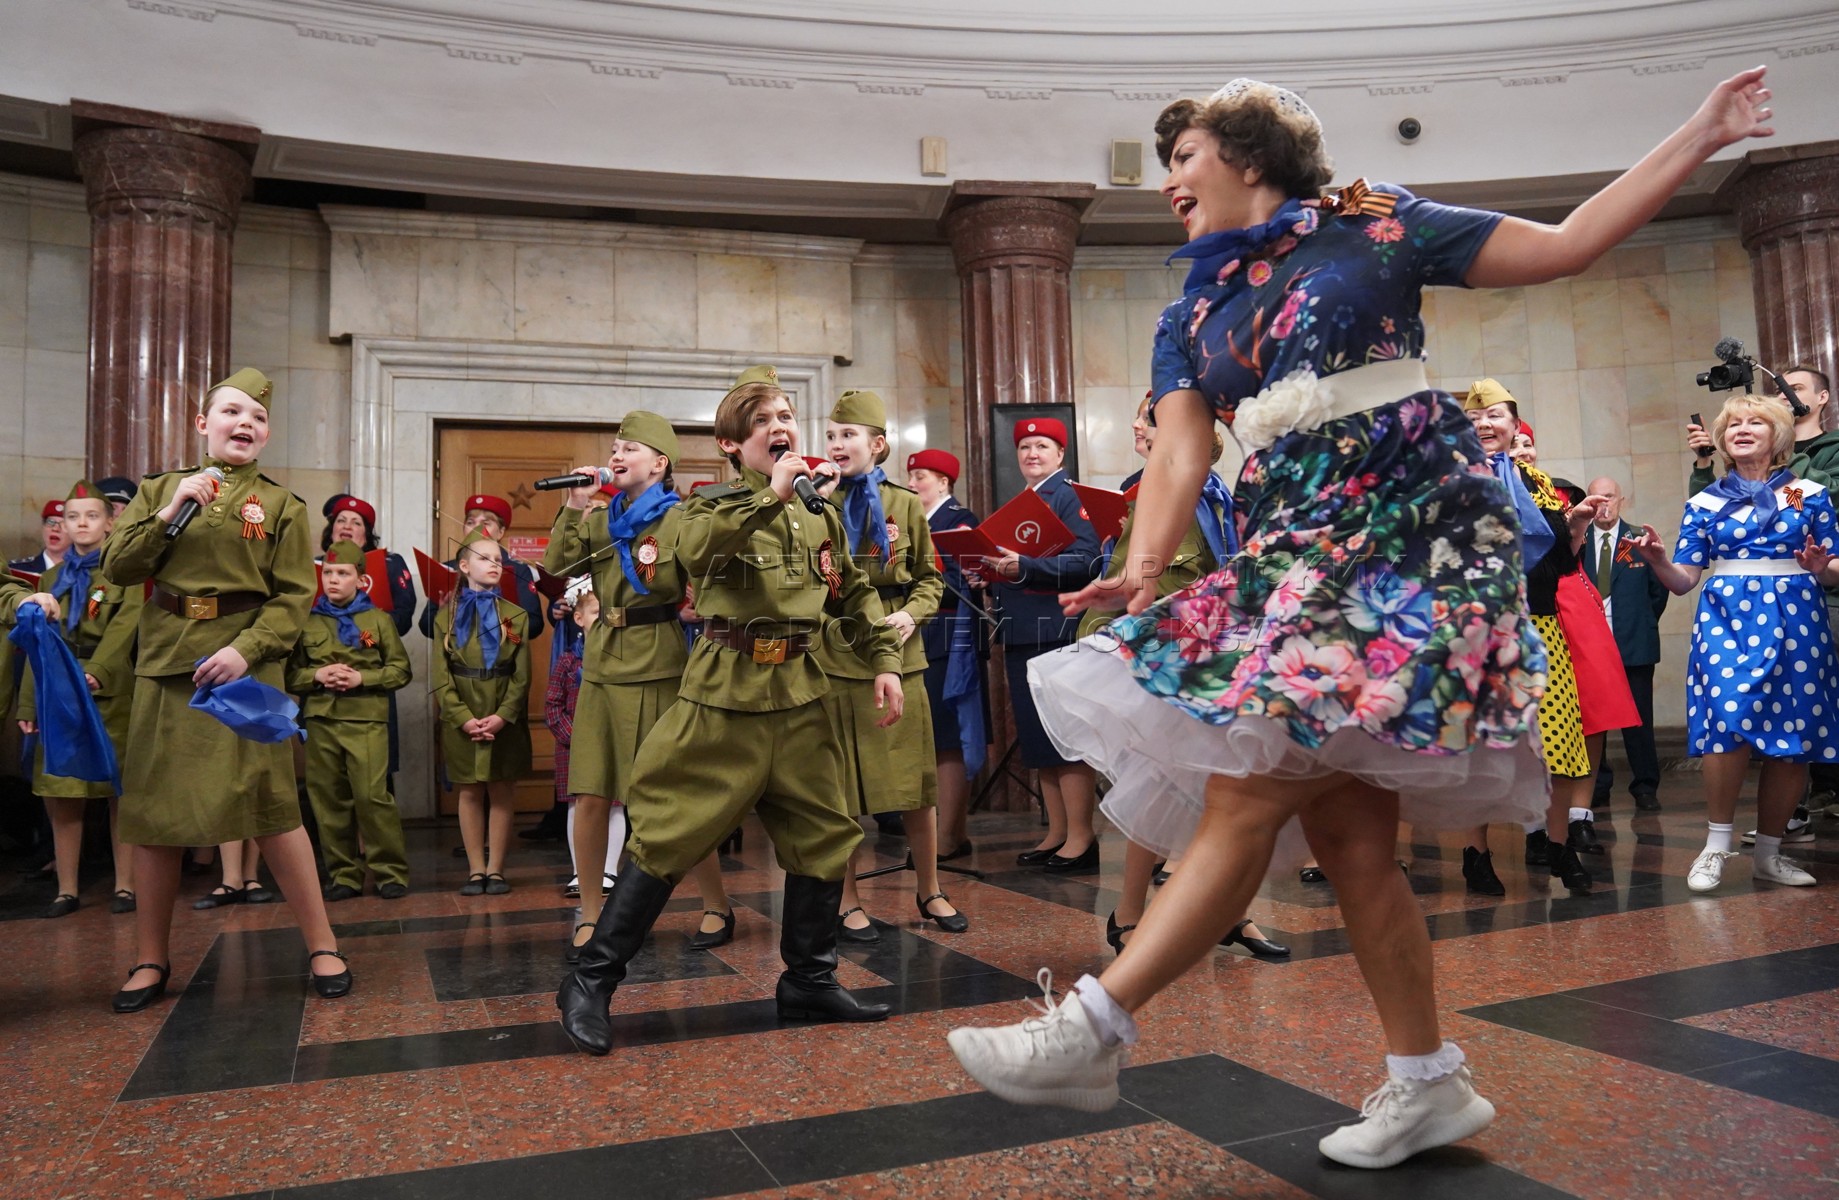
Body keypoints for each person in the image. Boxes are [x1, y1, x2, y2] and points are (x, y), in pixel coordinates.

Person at [946, 69, 1777, 1168]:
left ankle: (1093, 1028)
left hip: (1418, 540)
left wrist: (1706, 130)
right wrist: (1138, 570)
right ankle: (1428, 1085)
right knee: (1347, 840)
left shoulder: (1377, 223)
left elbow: (1570, 243)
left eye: (1182, 158)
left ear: (1247, 155)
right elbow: (1185, 451)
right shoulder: (1190, 308)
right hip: (1301, 545)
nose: (1169, 183)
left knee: (1252, 782)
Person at [557, 364, 904, 1056]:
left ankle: (808, 978)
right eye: (761, 422)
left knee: (825, 833)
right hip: (725, 695)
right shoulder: (708, 506)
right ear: (729, 445)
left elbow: (854, 592)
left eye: (785, 418)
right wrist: (770, 499)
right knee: (667, 832)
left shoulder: (819, 511)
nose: (780, 429)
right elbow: (694, 553)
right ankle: (590, 980)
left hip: (800, 693)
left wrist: (885, 663)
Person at [102, 367, 351, 1012]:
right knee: (155, 816)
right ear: (202, 423)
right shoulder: (160, 490)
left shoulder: (282, 506)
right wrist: (171, 509)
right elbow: (120, 567)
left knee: (271, 809)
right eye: (233, 412)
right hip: (167, 665)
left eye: (259, 418)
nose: (247, 424)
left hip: (244, 671)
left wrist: (245, 650)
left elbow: (295, 598)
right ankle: (150, 958)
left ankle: (323, 944)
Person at [1085, 397, 1284, 957]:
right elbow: (1126, 584)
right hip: (1166, 659)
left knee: (1223, 793)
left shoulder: (1226, 500)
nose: (1137, 429)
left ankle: (1233, 914)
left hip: (1222, 658)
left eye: (1149, 422)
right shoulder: (1151, 496)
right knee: (1157, 788)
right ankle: (1127, 915)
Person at [1632, 392, 1839, 893]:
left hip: (1796, 615)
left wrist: (1821, 567)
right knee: (1726, 723)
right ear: (1722, 441)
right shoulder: (1705, 501)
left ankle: (1769, 854)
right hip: (1727, 618)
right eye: (1732, 425)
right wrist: (1658, 559)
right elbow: (1683, 580)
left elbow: (1835, 567)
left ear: (1779, 436)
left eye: (1755, 423)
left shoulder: (1806, 494)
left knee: (1793, 738)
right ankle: (1716, 843)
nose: (1741, 430)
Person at [543, 411, 730, 959]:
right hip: (602, 662)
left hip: (660, 661)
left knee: (678, 795)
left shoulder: (677, 519)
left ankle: (716, 903)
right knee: (592, 790)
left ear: (659, 462)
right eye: (613, 447)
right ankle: (592, 913)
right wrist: (575, 505)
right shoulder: (602, 520)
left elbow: (704, 583)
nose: (616, 455)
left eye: (629, 448)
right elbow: (560, 565)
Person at [818, 390, 963, 939]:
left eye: (848, 435)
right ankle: (848, 899)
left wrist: (909, 615)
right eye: (831, 436)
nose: (837, 445)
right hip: (835, 655)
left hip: (900, 656)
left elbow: (931, 577)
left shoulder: (903, 504)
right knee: (842, 789)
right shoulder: (815, 502)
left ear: (877, 444)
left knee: (913, 785)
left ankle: (930, 889)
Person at [1463, 385, 1599, 894]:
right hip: (1480, 633)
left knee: (1561, 745)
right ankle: (1476, 856)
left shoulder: (1539, 483)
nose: (1483, 424)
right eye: (1474, 416)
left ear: (1515, 426)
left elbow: (1562, 563)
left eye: (1494, 415)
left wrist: (1578, 525)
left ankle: (1561, 851)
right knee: (1482, 750)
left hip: (1542, 627)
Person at [16, 481, 141, 918]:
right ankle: (66, 888)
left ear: (110, 523)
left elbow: (125, 628)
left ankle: (126, 885)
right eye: (72, 517)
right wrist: (29, 705)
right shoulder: (50, 579)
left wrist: (98, 671)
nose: (81, 524)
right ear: (62, 524)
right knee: (61, 791)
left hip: (107, 689)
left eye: (91, 516)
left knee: (117, 789)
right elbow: (36, 641)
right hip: (59, 691)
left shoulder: (124, 573)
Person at [986, 417, 1102, 872]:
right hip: (1021, 629)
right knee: (1038, 739)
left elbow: (1088, 559)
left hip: (1056, 627)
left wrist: (1026, 567)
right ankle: (1057, 832)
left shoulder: (1070, 496)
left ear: (1060, 455)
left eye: (1042, 446)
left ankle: (1081, 837)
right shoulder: (1023, 502)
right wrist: (991, 571)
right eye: (1025, 447)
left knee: (1065, 736)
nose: (1032, 454)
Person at [286, 539, 413, 901]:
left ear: (361, 579)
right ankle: (344, 874)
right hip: (321, 719)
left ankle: (390, 872)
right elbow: (289, 675)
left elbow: (401, 670)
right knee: (328, 800)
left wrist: (363, 678)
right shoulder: (307, 622)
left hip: (366, 720)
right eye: (327, 573)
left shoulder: (378, 619)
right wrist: (317, 675)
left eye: (342, 573)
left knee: (372, 797)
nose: (333, 580)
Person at [432, 530, 533, 896]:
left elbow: (523, 677)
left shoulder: (516, 616)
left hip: (502, 714)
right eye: (485, 558)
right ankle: (476, 869)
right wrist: (462, 717)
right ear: (464, 566)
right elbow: (440, 677)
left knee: (502, 789)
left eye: (499, 559)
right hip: (464, 715)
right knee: (470, 791)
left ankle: (496, 868)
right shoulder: (447, 616)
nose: (495, 564)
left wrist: (503, 715)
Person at [908, 449, 989, 860]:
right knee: (931, 739)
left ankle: (949, 834)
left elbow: (964, 580)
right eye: (911, 476)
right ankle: (945, 832)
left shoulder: (959, 520)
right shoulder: (911, 520)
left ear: (944, 482)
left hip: (948, 634)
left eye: (922, 475)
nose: (913, 482)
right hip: (919, 635)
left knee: (949, 738)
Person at [1586, 476, 1669, 812]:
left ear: (1621, 500)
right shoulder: (1576, 542)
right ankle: (1598, 785)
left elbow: (1658, 591)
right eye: (1596, 498)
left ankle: (1645, 786)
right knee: (1594, 721)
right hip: (1590, 647)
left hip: (1634, 644)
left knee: (1638, 720)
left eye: (1609, 497)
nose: (1603, 504)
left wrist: (1640, 623)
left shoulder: (1639, 540)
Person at [417, 494, 545, 638]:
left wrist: (498, 620)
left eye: (485, 523)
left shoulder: (518, 570)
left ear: (501, 532)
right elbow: (425, 626)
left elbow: (535, 625)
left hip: (503, 656)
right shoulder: (449, 568)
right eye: (470, 522)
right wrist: (445, 614)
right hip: (456, 656)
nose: (476, 528)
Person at [319, 495, 417, 638]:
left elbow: (403, 619)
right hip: (323, 649)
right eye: (341, 521)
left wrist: (367, 623)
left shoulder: (389, 563)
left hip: (370, 644)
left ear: (367, 534)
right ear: (332, 530)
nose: (347, 526)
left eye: (356, 523)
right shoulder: (317, 565)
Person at [10, 499, 66, 576]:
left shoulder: (85, 574)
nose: (55, 528)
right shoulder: (16, 571)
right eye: (50, 522)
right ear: (43, 527)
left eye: (64, 524)